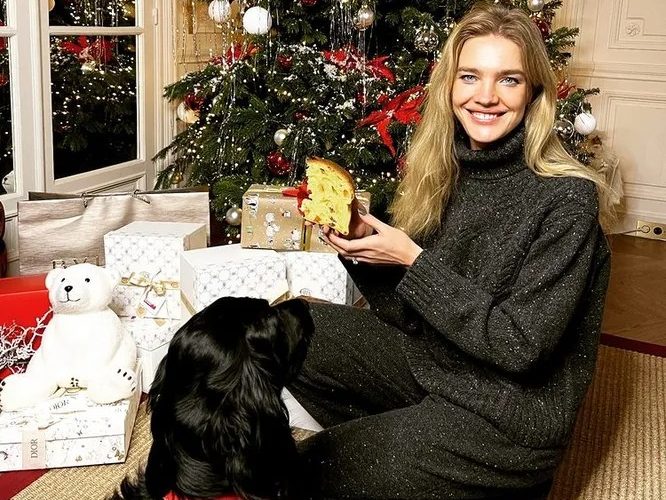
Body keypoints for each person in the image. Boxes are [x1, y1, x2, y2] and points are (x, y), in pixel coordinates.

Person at [288, 2, 614, 499]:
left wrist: (412, 259)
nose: (485, 96)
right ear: (449, 86)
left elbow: (519, 346)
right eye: (470, 76)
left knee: (308, 469)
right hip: (436, 368)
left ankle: (485, 478)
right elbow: (409, 316)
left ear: (534, 93)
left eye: (508, 79)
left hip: (508, 418)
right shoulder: (443, 172)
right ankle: (416, 448)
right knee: (287, 330)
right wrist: (363, 248)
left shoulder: (568, 199)